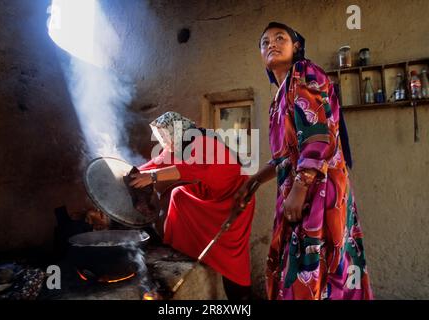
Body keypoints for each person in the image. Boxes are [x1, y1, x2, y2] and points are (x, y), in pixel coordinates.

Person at [234, 22, 373, 300]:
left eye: (280, 38)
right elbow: (286, 155)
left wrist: (299, 188)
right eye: (265, 42)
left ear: (296, 47)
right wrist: (255, 180)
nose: (271, 44)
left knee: (311, 272)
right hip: (301, 187)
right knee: (308, 269)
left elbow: (318, 135)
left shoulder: (304, 72)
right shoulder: (280, 97)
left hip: (318, 188)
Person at [129, 111, 255, 300]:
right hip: (211, 195)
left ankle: (241, 298)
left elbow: (188, 169)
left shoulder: (202, 142)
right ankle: (179, 250)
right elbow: (156, 163)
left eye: (163, 135)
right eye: (158, 137)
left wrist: (152, 177)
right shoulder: (176, 145)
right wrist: (130, 172)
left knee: (232, 257)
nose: (161, 140)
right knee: (179, 195)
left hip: (235, 198)